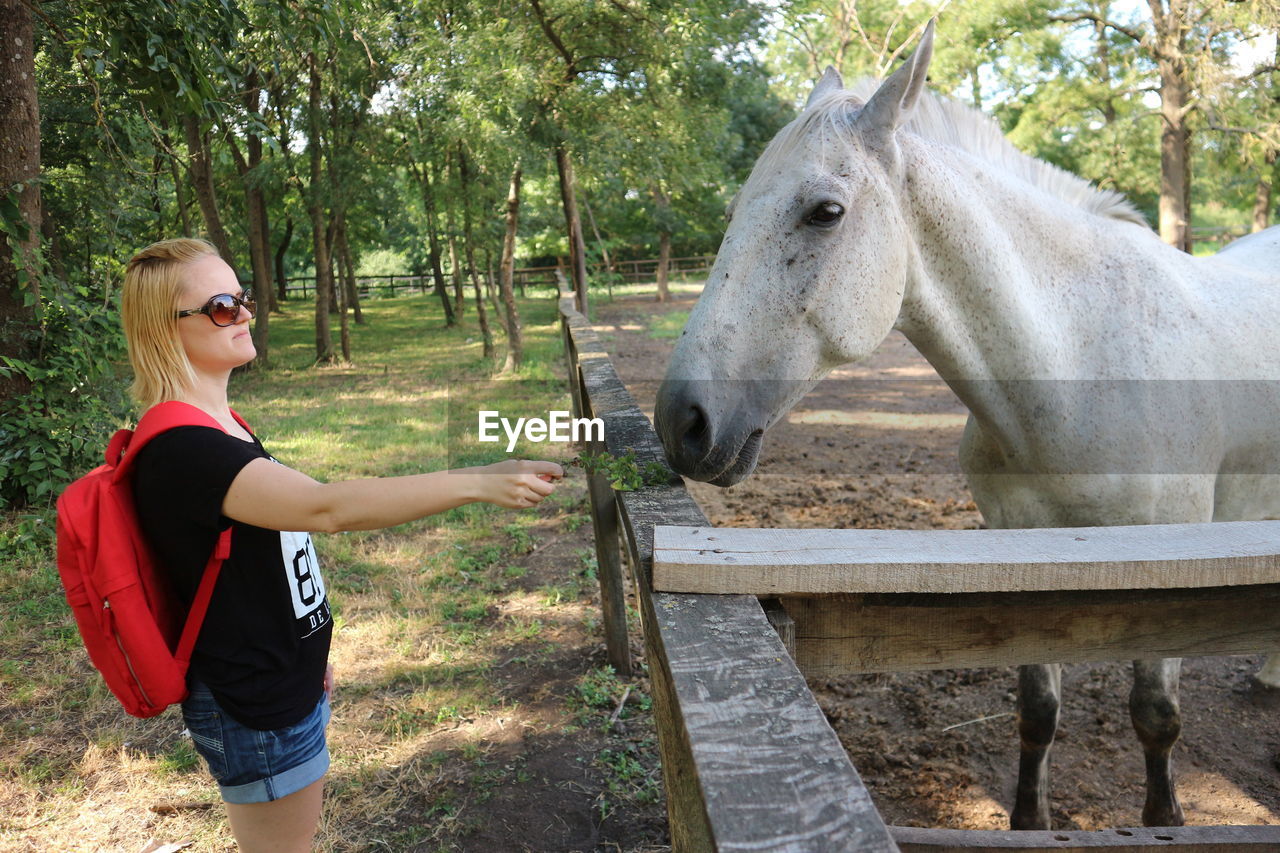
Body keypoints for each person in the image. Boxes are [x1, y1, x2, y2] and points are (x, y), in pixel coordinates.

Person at [121, 237, 562, 852]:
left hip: (284, 679)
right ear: (165, 331)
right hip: (255, 702)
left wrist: (310, 653)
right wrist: (479, 482)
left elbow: (268, 557)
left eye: (243, 298)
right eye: (222, 306)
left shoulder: (220, 427)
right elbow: (326, 508)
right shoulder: (184, 450)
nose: (246, 314)